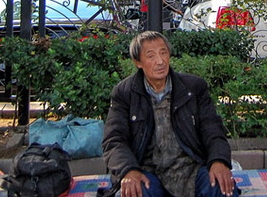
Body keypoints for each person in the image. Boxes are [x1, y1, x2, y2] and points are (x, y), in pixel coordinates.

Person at [102, 31, 239, 197]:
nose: (160, 61)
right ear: (138, 62)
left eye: (163, 53)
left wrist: (219, 160)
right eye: (150, 56)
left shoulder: (194, 88)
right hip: (148, 171)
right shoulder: (124, 93)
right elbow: (114, 140)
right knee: (136, 191)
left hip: (191, 167)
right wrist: (128, 170)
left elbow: (213, 130)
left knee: (220, 186)